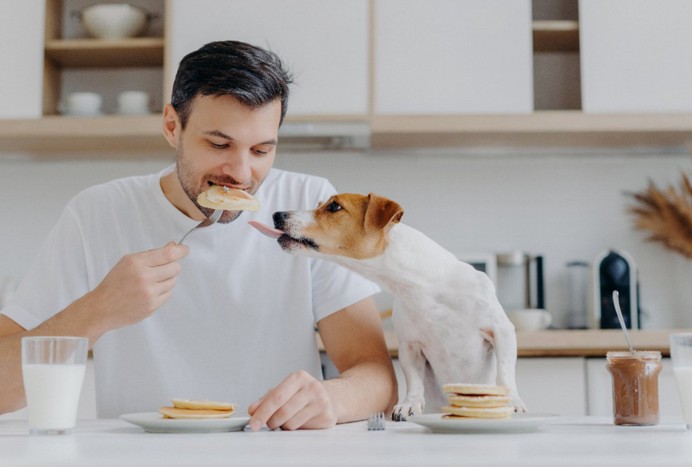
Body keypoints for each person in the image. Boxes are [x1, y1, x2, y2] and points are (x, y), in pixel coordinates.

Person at [0, 40, 397, 431]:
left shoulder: (308, 207)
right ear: (172, 126)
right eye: (219, 144)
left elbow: (377, 378)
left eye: (260, 151)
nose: (241, 174)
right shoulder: (97, 214)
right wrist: (100, 308)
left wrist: (331, 399)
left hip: (273, 451)